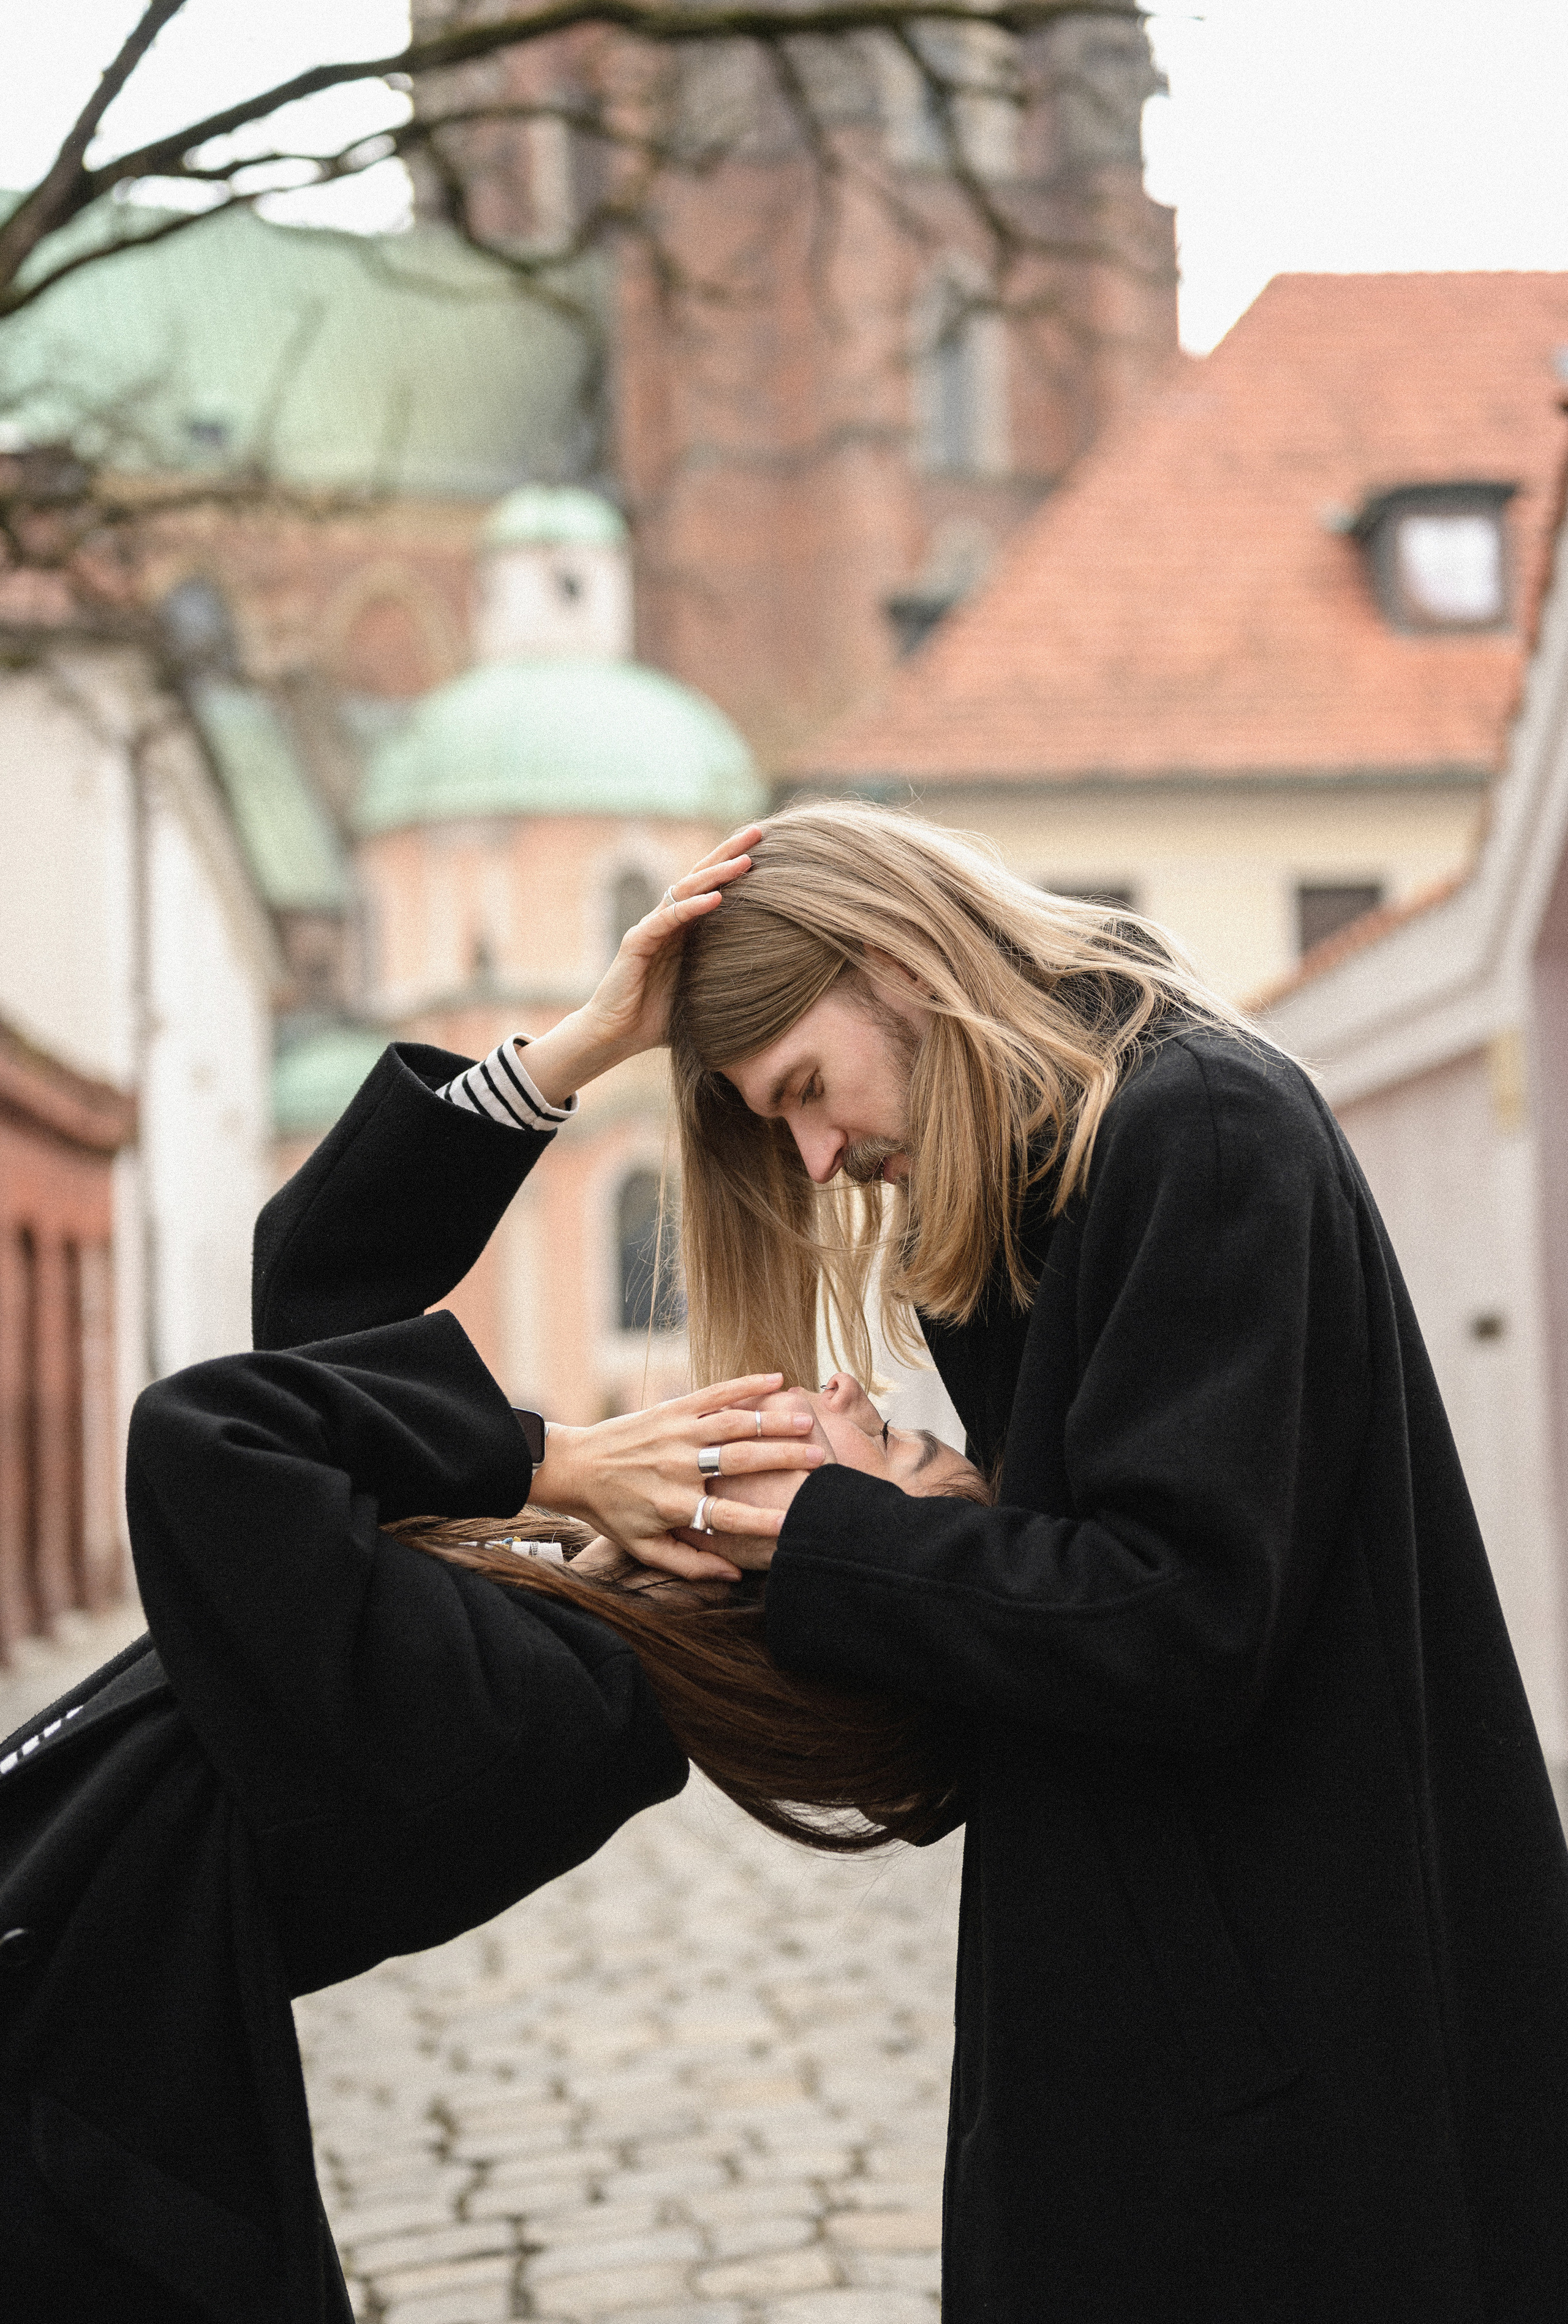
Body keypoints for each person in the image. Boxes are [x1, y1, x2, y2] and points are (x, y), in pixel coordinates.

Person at [461, 802, 1568, 2323]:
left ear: (897, 963)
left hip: (1288, 2057)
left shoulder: (1199, 1124)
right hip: (1165, 2024)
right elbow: (1060, 1596)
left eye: (803, 1090)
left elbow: (1181, 1619)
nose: (817, 1153)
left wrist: (825, 1526)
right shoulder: (1040, 1169)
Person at [0, 947, 977, 2324]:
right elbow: (321, 1310)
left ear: (820, 1554)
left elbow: (213, 1437)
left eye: (880, 1440)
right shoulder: (570, 1638)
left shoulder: (549, 1719)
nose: (837, 1388)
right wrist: (576, 1049)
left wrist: (551, 1457)